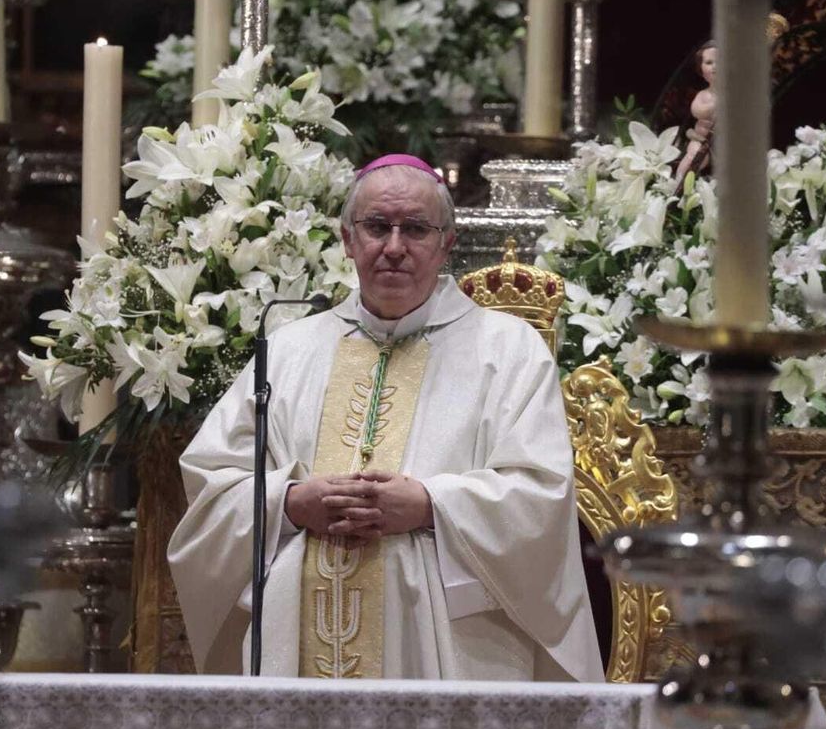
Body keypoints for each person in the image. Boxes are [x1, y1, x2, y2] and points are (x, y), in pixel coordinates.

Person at [168, 153, 604, 682]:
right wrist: (289, 502)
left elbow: (541, 496)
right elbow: (213, 483)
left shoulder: (508, 350)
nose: (394, 247)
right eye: (377, 227)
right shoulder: (288, 350)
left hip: (448, 650)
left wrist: (429, 505)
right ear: (348, 239)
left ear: (447, 242)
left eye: (416, 229)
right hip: (295, 649)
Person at [675, 40, 717, 180]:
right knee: (694, 157)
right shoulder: (704, 95)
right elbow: (697, 111)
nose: (715, 67)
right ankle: (680, 181)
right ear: (701, 70)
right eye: (709, 62)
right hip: (701, 140)